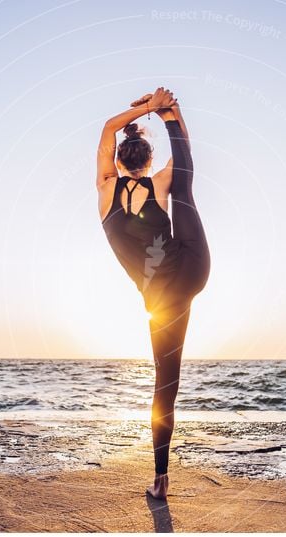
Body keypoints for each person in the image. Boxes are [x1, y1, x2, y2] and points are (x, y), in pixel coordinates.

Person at [96, 87, 210, 499]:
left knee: (166, 385)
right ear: (146, 160)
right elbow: (184, 159)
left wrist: (141, 111)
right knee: (184, 185)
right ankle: (173, 112)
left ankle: (160, 479)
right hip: (194, 267)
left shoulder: (105, 191)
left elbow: (107, 129)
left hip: (163, 302)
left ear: (120, 159)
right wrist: (167, 111)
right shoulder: (160, 185)